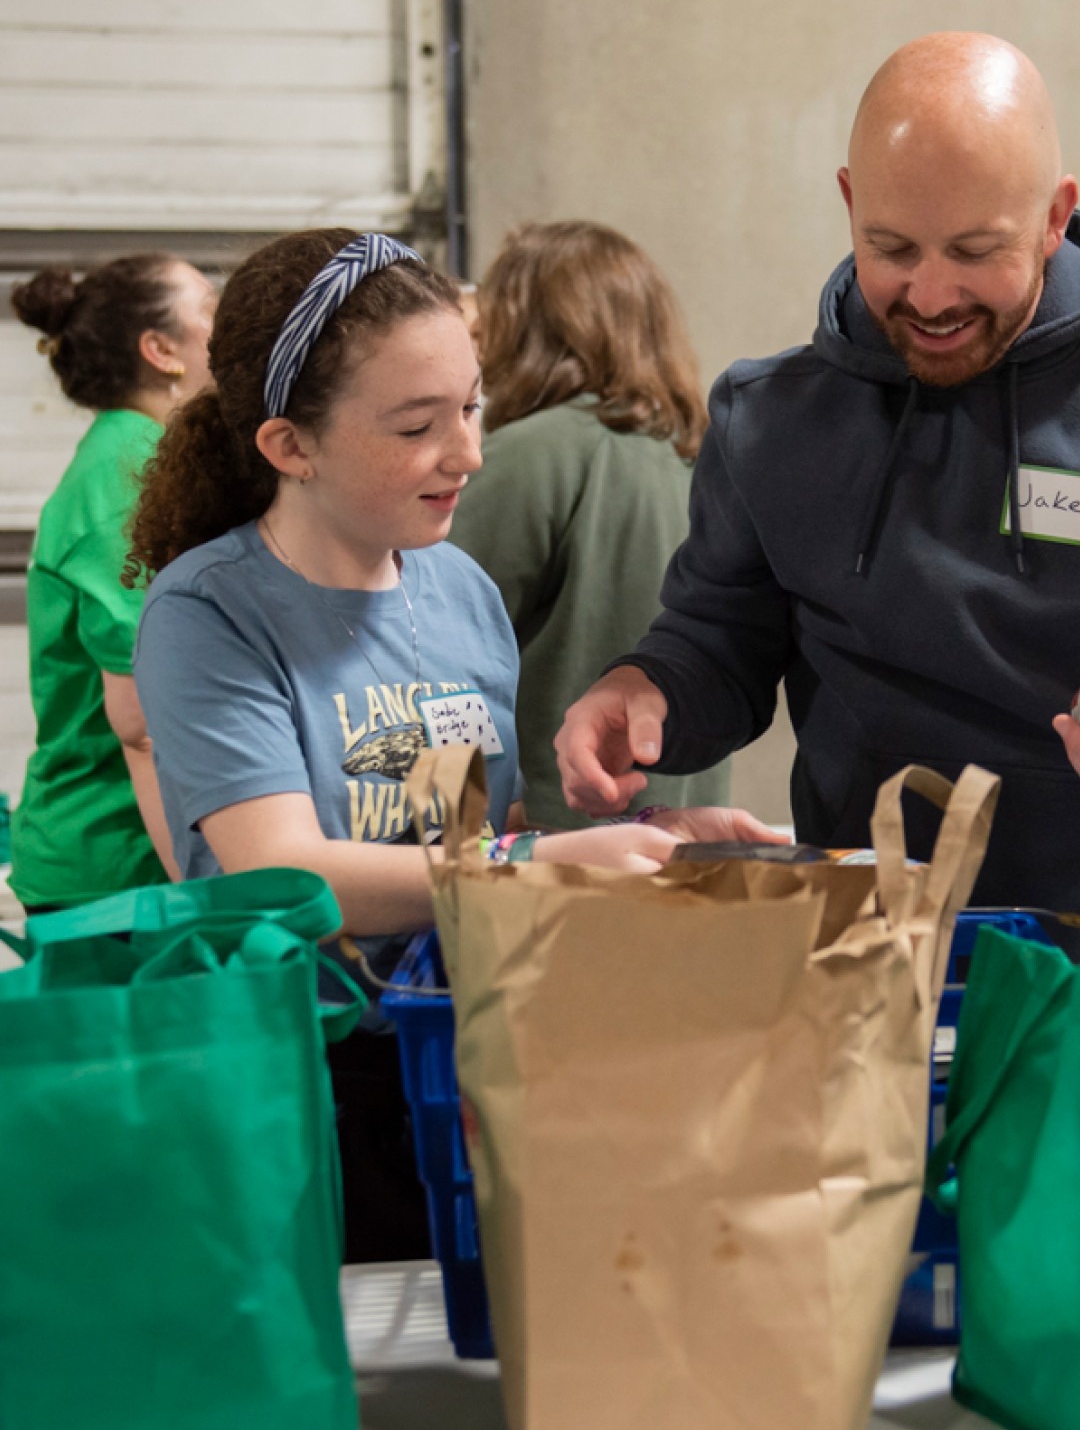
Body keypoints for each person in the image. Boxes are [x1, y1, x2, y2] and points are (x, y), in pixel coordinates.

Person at [555, 33, 1080, 966]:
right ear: (850, 203)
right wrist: (646, 689)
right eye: (890, 247)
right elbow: (720, 645)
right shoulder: (768, 421)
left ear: (1057, 215)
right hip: (867, 965)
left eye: (976, 251)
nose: (931, 293)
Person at [126, 228, 775, 1258]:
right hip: (298, 1086)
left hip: (459, 1056)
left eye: (470, 405)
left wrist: (643, 843)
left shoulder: (459, 588)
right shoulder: (208, 612)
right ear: (290, 445)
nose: (469, 451)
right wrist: (545, 862)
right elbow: (283, 870)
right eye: (418, 424)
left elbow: (472, 829)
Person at [450, 220, 732, 828]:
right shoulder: (700, 454)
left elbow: (429, 639)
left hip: (556, 842)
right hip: (682, 839)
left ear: (523, 326)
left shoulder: (536, 451)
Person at [9, 253, 216, 909]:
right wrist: (207, 889)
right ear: (161, 350)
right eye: (210, 311)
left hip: (138, 864)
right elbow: (145, 720)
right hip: (117, 876)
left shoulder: (152, 456)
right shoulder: (126, 480)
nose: (231, 326)